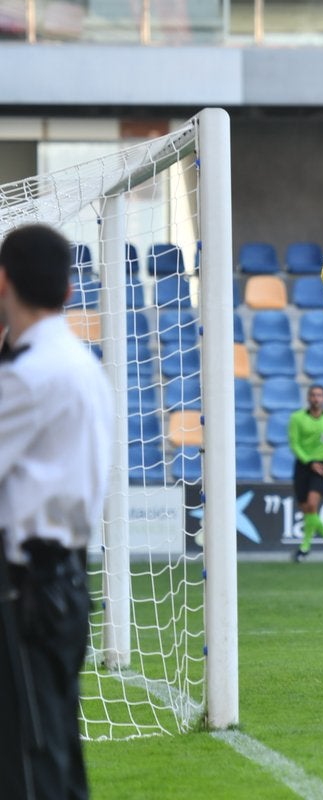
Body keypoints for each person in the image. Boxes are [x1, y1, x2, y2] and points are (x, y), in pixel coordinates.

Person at [0, 224, 112, 798]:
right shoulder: (79, 363)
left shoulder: (28, 376)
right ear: (69, 289)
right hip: (63, 581)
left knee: (29, 764)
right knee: (56, 756)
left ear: (3, 282)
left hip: (29, 589)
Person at [288, 384, 323, 563]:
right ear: (308, 398)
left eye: (319, 395)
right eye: (313, 395)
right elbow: (294, 443)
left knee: (312, 505)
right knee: (306, 509)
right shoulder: (297, 418)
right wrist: (308, 461)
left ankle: (305, 548)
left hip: (321, 467)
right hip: (303, 465)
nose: (316, 398)